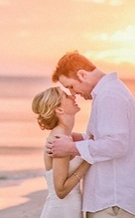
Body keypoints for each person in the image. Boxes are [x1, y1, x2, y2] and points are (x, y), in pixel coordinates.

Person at [46, 51, 135, 218]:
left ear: (82, 75)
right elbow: (106, 138)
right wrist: (80, 138)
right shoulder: (109, 92)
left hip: (114, 202)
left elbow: (116, 145)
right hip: (112, 200)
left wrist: (71, 148)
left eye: (71, 87)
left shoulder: (109, 95)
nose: (73, 94)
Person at [32, 86, 90, 218]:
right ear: (59, 109)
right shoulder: (59, 137)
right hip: (61, 211)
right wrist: (88, 161)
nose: (73, 96)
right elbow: (61, 190)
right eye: (66, 96)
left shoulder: (66, 135)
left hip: (69, 209)